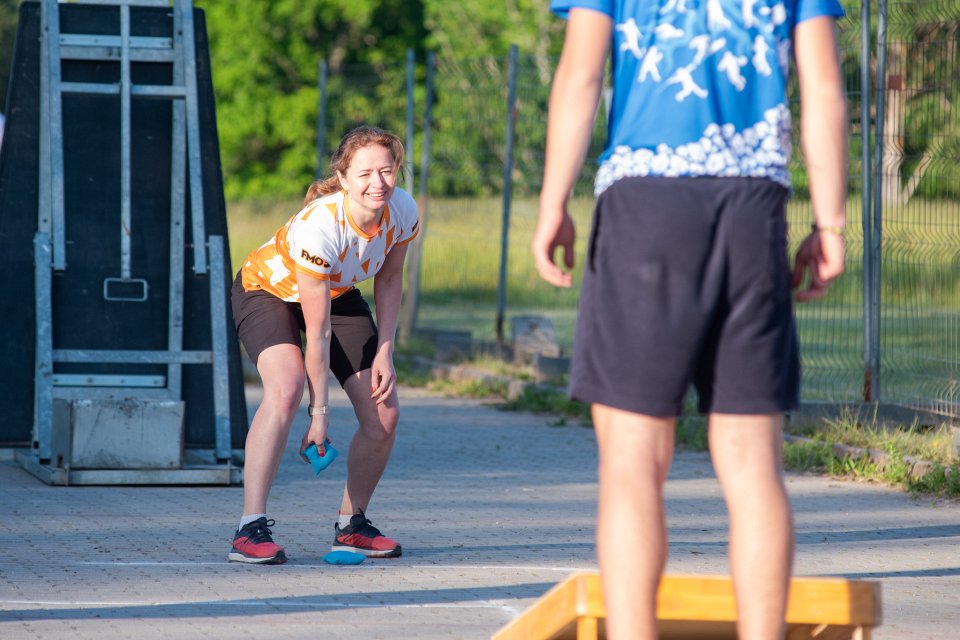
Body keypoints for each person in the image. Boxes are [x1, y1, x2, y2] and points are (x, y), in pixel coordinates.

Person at [533, 1, 847, 638]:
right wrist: (830, 222)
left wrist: (553, 202)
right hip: (752, 208)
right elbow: (821, 87)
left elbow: (580, 76)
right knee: (753, 458)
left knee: (632, 458)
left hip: (647, 201)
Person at [229, 125, 419, 564]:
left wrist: (386, 350)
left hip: (335, 292)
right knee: (286, 388)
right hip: (269, 291)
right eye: (366, 173)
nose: (378, 183)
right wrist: (319, 415)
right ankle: (249, 528)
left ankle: (352, 526)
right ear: (345, 177)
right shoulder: (322, 226)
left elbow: (390, 278)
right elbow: (317, 333)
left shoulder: (402, 210)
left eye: (387, 171)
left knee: (384, 411)